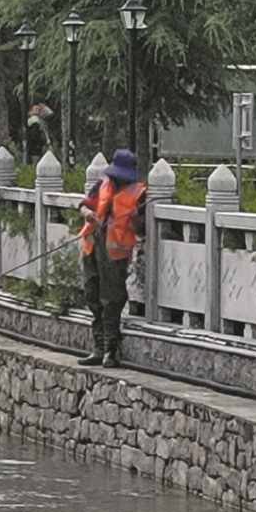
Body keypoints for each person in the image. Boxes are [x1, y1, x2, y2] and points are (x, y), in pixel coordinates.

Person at [77, 148, 146, 368]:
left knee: (112, 299)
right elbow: (85, 204)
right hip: (93, 245)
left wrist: (135, 218)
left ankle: (110, 350)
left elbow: (143, 228)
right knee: (92, 294)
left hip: (116, 253)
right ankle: (98, 348)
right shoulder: (102, 184)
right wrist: (88, 213)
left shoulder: (139, 193)